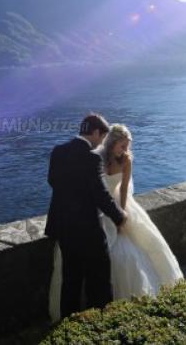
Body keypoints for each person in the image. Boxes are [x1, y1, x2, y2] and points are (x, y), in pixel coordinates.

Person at [47, 122, 184, 322]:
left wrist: (121, 217)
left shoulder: (126, 161)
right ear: (111, 143)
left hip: (117, 207)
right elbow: (95, 191)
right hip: (97, 212)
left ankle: (108, 309)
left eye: (127, 146)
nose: (126, 150)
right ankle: (87, 313)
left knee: (127, 255)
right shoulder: (96, 158)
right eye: (122, 146)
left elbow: (124, 190)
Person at [44, 113, 127, 320]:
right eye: (102, 137)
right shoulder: (92, 158)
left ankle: (68, 326)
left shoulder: (58, 152)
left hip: (63, 227)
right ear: (96, 132)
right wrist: (120, 217)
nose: (102, 142)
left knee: (70, 280)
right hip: (87, 230)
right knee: (99, 280)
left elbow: (53, 181)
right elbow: (100, 195)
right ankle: (99, 324)